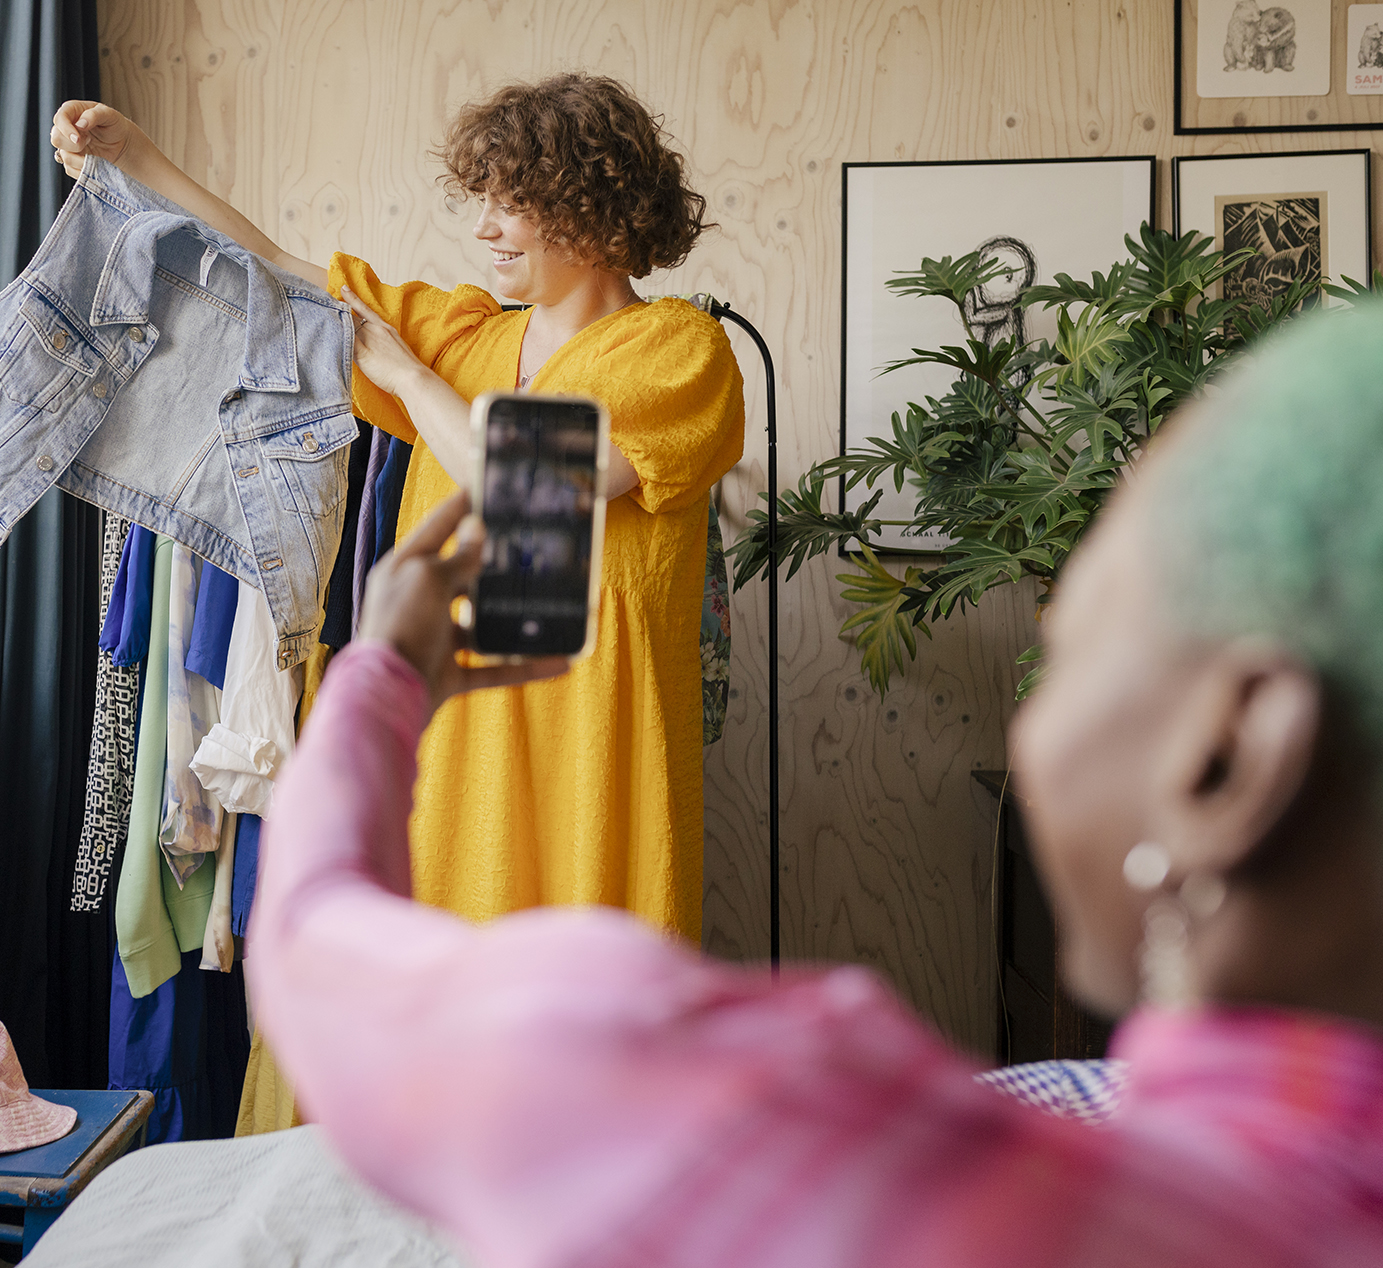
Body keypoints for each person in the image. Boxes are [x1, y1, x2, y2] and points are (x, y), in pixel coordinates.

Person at [244, 303, 1383, 1266]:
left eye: (1073, 641)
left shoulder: (822, 1126)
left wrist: (382, 676)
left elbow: (321, 966)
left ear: (1232, 757)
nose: (1033, 713)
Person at [52, 74, 745, 942]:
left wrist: (410, 381)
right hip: (446, 727)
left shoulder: (680, 351)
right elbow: (276, 269)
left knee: (569, 996)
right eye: (482, 200)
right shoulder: (467, 334)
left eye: (512, 203)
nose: (484, 227)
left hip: (589, 746)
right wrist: (139, 157)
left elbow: (522, 492)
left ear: (589, 208)